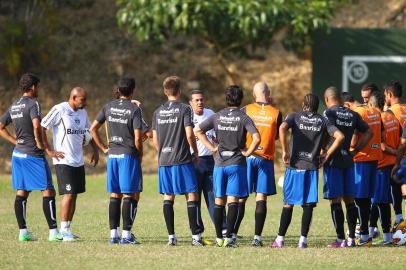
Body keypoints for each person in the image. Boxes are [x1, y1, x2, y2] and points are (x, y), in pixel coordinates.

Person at [271, 93, 344, 248]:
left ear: (303, 104)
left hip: (294, 166)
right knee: (308, 205)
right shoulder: (323, 120)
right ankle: (303, 241)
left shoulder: (294, 116)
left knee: (288, 203)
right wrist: (327, 154)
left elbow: (282, 127)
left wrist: (285, 151)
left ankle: (279, 239)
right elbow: (340, 136)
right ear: (317, 106)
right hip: (311, 167)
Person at [195, 85, 261, 248]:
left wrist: (212, 148)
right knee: (233, 200)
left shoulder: (218, 116)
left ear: (226, 99)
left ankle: (219, 238)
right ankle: (230, 238)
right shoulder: (243, 117)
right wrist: (248, 152)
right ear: (240, 100)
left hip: (219, 164)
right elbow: (257, 138)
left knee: (218, 201)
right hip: (236, 164)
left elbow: (197, 130)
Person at [0, 73, 63, 242]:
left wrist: (15, 141)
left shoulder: (14, 105)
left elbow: (0, 126)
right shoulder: (33, 104)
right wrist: (42, 145)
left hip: (18, 154)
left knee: (23, 191)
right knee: (48, 190)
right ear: (33, 87)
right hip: (33, 154)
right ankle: (53, 232)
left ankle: (23, 232)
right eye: (38, 86)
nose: (39, 90)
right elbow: (37, 126)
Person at [90, 77, 144, 244]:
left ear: (118, 90)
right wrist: (140, 153)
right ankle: (126, 236)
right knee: (128, 194)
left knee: (115, 195)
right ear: (132, 90)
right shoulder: (134, 109)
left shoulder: (108, 106)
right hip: (128, 155)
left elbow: (92, 129)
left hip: (112, 155)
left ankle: (114, 235)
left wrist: (104, 148)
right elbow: (137, 138)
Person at [41, 87, 99, 241]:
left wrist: (96, 150)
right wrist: (49, 150)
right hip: (63, 160)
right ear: (73, 97)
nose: (85, 102)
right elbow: (41, 127)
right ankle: (62, 231)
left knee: (74, 195)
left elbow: (88, 132)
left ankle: (67, 229)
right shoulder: (60, 109)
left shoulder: (83, 113)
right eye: (82, 99)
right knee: (68, 194)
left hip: (78, 160)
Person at [151, 76, 202, 246]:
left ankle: (171, 237)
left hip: (164, 160)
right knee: (191, 195)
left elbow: (155, 141)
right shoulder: (185, 109)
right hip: (182, 159)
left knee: (168, 197)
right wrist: (195, 152)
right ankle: (196, 237)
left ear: (165, 92)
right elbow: (189, 134)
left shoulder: (157, 112)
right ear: (179, 91)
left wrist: (164, 153)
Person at [233, 82, 282, 247]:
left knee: (241, 197)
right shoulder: (276, 113)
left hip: (246, 157)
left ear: (254, 95)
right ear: (269, 93)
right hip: (265, 159)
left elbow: (238, 132)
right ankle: (257, 238)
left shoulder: (245, 110)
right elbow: (275, 137)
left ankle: (232, 234)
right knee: (261, 198)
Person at [323, 87, 372, 248]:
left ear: (327, 100)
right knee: (350, 201)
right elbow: (369, 132)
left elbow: (327, 135)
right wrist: (356, 150)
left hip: (333, 162)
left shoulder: (328, 113)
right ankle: (351, 238)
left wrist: (324, 154)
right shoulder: (352, 114)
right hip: (349, 161)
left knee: (335, 201)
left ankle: (340, 239)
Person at [342, 92, 383, 246]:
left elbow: (353, 136)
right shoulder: (374, 111)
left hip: (361, 160)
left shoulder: (357, 113)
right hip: (375, 159)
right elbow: (382, 136)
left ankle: (363, 233)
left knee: (358, 199)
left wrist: (352, 148)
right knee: (366, 199)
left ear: (347, 105)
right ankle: (365, 234)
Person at [189, 89, 226, 241]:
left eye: (201, 99)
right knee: (194, 198)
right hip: (194, 161)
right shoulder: (187, 116)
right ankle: (197, 233)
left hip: (211, 161)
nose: (200, 102)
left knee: (214, 196)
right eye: (196, 100)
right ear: (190, 103)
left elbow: (218, 133)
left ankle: (223, 228)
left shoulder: (211, 114)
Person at [368, 91, 400, 245]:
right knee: (380, 200)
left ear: (373, 105)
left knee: (381, 202)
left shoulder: (378, 120)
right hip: (392, 165)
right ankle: (371, 230)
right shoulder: (393, 117)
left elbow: (381, 145)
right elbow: (400, 140)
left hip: (381, 165)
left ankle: (387, 237)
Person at [384, 80, 405, 227]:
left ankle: (398, 218)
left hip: (399, 156)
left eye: (385, 95)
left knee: (393, 184)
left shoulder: (390, 113)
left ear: (389, 94)